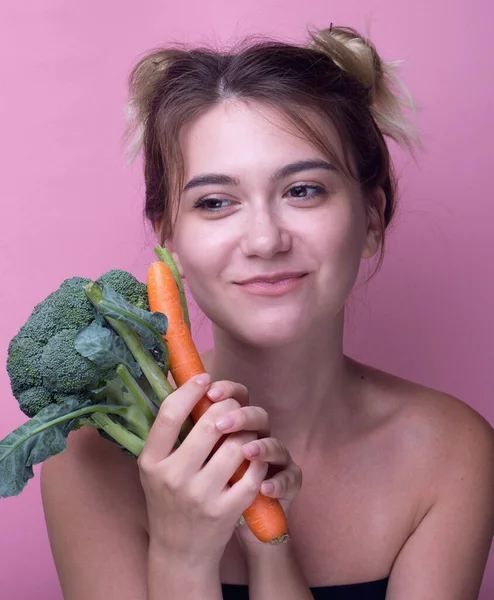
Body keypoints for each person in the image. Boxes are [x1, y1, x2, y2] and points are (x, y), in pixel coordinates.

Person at [40, 25, 494, 600]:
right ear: (170, 243)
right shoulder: (91, 461)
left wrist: (269, 546)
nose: (264, 239)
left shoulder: (449, 454)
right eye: (215, 202)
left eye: (303, 190)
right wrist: (183, 555)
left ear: (372, 221)